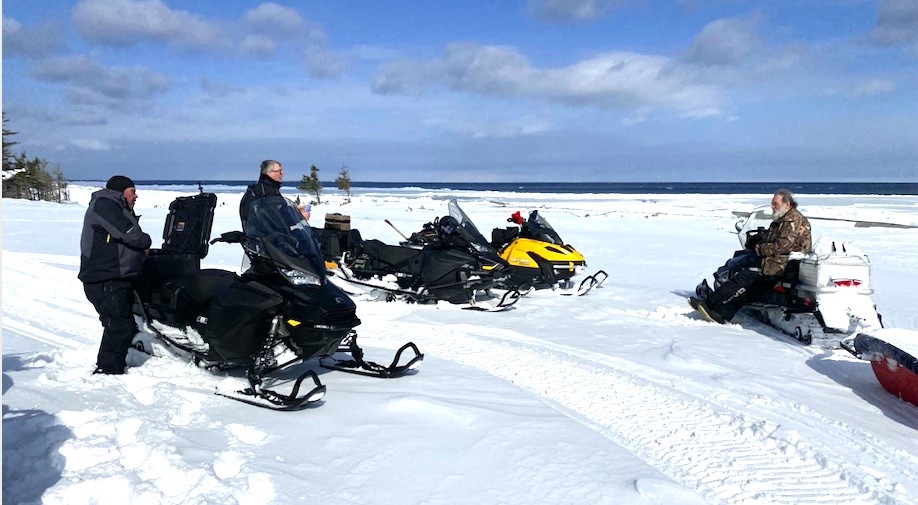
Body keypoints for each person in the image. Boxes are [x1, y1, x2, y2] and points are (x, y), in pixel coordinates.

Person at [690, 189, 812, 324]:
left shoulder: (793, 221)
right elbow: (770, 237)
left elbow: (782, 246)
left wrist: (759, 249)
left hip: (783, 266)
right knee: (751, 290)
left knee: (745, 276)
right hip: (778, 263)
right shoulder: (782, 219)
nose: (772, 207)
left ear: (787, 204)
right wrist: (756, 238)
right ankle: (722, 313)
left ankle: (710, 303)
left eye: (775, 204)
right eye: (772, 204)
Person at [78, 175, 152, 375]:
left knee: (119, 321)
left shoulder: (114, 206)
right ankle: (108, 369)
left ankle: (127, 354)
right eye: (132, 191)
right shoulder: (105, 205)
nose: (136, 196)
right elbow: (132, 235)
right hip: (105, 277)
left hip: (113, 276)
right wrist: (146, 242)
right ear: (121, 192)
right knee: (118, 323)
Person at [239, 160, 310, 226]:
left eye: (281, 170)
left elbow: (279, 210)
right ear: (269, 173)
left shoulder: (268, 189)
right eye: (279, 171)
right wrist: (299, 217)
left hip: (273, 235)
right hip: (268, 237)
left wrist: (295, 211)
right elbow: (274, 220)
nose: (282, 173)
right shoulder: (265, 192)